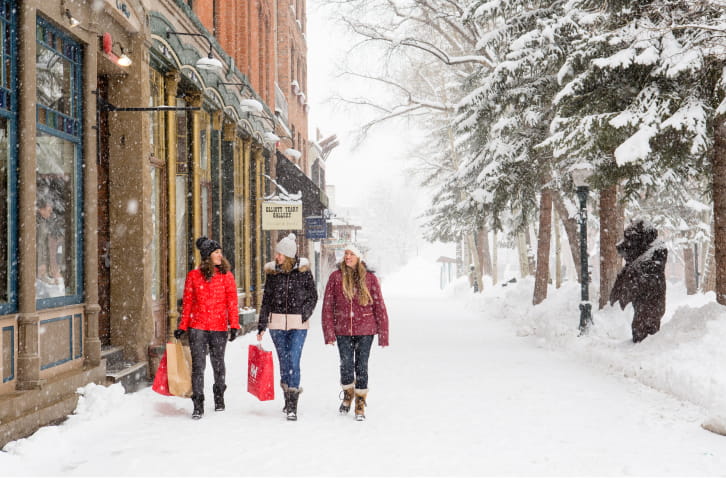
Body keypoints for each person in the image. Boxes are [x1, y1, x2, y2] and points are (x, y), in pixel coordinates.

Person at [174, 237, 240, 419]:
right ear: (207, 256)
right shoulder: (193, 276)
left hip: (219, 326)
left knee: (218, 364)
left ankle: (219, 396)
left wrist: (234, 325)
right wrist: (182, 326)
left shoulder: (227, 276)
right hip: (198, 326)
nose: (220, 255)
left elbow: (232, 303)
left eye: (220, 252)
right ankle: (198, 403)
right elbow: (187, 303)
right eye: (216, 252)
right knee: (198, 366)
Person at [322, 244, 389, 421]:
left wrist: (383, 334)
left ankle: (360, 401)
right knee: (346, 365)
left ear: (359, 257)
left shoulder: (370, 278)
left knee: (361, 366)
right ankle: (348, 394)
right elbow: (327, 307)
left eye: (351, 254)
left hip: (366, 329)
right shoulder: (336, 277)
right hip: (343, 329)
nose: (348, 257)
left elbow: (379, 306)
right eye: (346, 254)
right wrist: (329, 333)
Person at [258, 233, 318, 421]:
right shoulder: (273, 273)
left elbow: (313, 296)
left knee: (293, 359)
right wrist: (261, 325)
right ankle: (287, 397)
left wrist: (304, 313)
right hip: (276, 323)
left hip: (298, 324)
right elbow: (266, 300)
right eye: (277, 254)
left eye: (280, 254)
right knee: (284, 361)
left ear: (289, 256)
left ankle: (293, 405)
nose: (277, 257)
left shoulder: (303, 272)